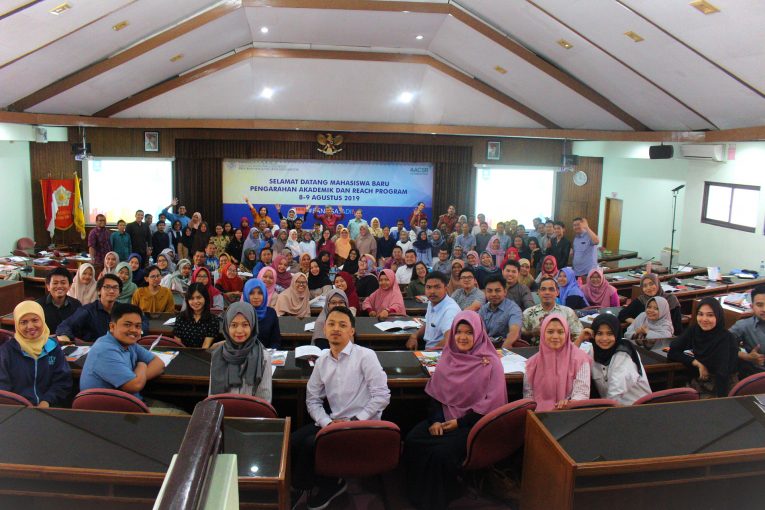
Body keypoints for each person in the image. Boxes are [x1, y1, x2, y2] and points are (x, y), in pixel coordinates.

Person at [404, 311, 507, 510]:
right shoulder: (448, 356)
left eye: (469, 332)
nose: (462, 337)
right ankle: (418, 496)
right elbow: (436, 395)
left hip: (473, 424)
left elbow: (492, 405)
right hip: (444, 417)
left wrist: (459, 423)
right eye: (458, 332)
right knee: (412, 440)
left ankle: (438, 501)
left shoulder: (490, 362)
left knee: (441, 453)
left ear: (479, 334)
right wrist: (435, 420)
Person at [291, 306, 390, 509]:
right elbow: (312, 399)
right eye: (332, 324)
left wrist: (355, 420)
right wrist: (327, 422)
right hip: (335, 422)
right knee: (293, 441)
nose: (336, 329)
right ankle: (303, 485)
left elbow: (382, 396)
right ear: (324, 329)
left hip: (363, 424)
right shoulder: (322, 361)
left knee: (311, 444)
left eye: (342, 325)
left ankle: (328, 485)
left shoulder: (365, 356)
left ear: (352, 331)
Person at [79, 303, 164, 403]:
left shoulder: (129, 343)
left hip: (129, 401)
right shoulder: (104, 350)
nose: (133, 330)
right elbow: (134, 386)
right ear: (112, 326)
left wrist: (138, 378)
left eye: (137, 326)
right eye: (127, 325)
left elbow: (159, 364)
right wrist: (142, 366)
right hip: (109, 409)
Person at [0, 301, 72, 407]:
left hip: (50, 409)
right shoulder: (6, 351)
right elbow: (3, 387)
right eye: (23, 322)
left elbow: (63, 382)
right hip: (17, 410)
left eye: (35, 320)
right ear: (17, 325)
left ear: (42, 320)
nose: (30, 326)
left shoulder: (53, 347)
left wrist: (47, 401)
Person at [668, 297, 739, 398]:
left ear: (718, 316)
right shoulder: (694, 330)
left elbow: (722, 375)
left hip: (723, 385)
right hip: (701, 380)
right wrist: (697, 363)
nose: (704, 319)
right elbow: (673, 351)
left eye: (710, 315)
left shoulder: (726, 338)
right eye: (700, 314)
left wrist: (721, 402)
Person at [579, 313, 651, 405]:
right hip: (612, 406)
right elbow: (573, 363)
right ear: (593, 335)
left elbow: (615, 391)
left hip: (635, 407)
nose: (604, 338)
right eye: (599, 333)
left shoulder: (623, 354)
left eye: (610, 333)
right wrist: (580, 339)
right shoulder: (593, 350)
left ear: (616, 334)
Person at [523, 314, 591, 411]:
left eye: (560, 332)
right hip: (539, 414)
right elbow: (528, 396)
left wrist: (568, 404)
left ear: (567, 334)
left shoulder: (580, 359)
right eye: (550, 332)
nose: (555, 336)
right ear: (542, 333)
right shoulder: (532, 363)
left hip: (569, 412)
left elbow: (582, 393)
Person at [209, 301, 273, 401]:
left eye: (245, 325)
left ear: (252, 325)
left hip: (251, 410)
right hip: (223, 409)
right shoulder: (218, 355)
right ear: (227, 327)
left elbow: (264, 398)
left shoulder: (263, 357)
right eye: (234, 325)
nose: (239, 331)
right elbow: (212, 396)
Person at [407, 271, 460, 350]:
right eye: (428, 287)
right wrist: (414, 336)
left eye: (437, 287)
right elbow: (429, 323)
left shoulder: (450, 310)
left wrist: (427, 353)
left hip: (440, 353)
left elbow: (449, 340)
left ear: (446, 288)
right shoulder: (432, 301)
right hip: (429, 348)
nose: (432, 291)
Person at [521, 277, 582, 345]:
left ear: (557, 292)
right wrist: (532, 333)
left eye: (551, 289)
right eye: (543, 289)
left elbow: (578, 335)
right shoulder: (528, 313)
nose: (547, 292)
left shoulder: (568, 312)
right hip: (535, 349)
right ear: (538, 292)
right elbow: (520, 336)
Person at [618, 273, 683, 334]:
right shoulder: (641, 300)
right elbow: (622, 315)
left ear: (657, 284)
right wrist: (638, 322)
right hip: (645, 337)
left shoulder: (670, 299)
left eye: (651, 284)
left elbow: (677, 326)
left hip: (667, 336)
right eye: (645, 286)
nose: (648, 288)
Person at [172, 283, 221, 349]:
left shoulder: (213, 320)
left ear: (205, 298)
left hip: (203, 354)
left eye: (199, 297)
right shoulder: (180, 317)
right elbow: (178, 345)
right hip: (183, 354)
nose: (195, 301)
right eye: (191, 298)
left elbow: (205, 346)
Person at [730, 284, 765, 376]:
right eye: (759, 305)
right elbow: (722, 344)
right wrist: (747, 356)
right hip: (758, 376)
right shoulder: (744, 326)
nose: (764, 309)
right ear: (752, 306)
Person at [479, 275, 522, 348]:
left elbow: (514, 332)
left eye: (497, 290)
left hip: (507, 346)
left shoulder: (513, 308)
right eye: (489, 291)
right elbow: (480, 333)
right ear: (485, 293)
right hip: (487, 346)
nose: (493, 294)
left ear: (505, 292)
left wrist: (502, 350)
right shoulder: (483, 309)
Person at [36, 267, 82, 332]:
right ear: (48, 286)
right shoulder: (38, 306)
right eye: (55, 283)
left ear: (70, 286)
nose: (59, 286)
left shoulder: (76, 305)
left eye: (63, 283)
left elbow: (80, 329)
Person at [242, 278, 281, 348]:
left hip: (266, 352)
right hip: (244, 352)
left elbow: (275, 341)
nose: (256, 297)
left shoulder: (271, 313)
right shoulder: (240, 313)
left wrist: (269, 352)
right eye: (251, 293)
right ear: (246, 294)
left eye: (260, 293)